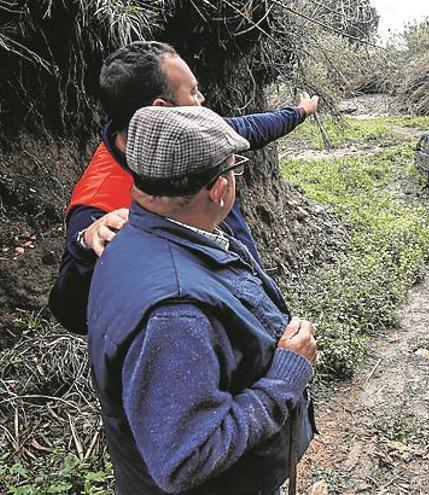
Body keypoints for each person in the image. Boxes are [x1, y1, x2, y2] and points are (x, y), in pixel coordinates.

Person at [88, 105, 317, 494]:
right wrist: (285, 377)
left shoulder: (133, 239)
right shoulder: (176, 314)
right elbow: (186, 459)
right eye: (234, 168)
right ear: (219, 188)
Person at [49, 41, 318, 334]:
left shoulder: (192, 139)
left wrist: (299, 112)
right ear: (162, 109)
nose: (202, 99)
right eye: (192, 91)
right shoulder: (99, 200)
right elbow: (71, 311)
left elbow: (250, 128)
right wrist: (84, 244)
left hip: (245, 294)